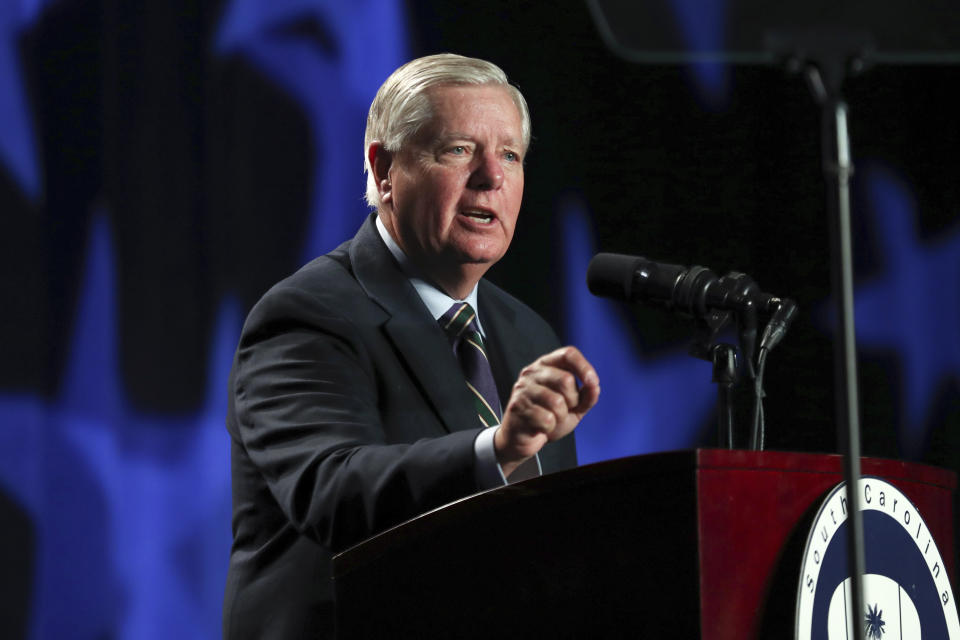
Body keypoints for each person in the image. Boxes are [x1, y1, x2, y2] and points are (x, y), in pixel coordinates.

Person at [222, 53, 601, 639]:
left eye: (510, 155)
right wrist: (494, 449)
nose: (491, 177)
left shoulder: (528, 333)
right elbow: (331, 488)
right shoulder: (306, 314)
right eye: (457, 149)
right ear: (384, 169)